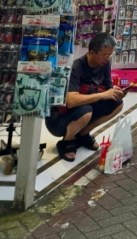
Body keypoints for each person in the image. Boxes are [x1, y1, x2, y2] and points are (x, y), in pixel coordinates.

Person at [45, 32, 123, 161]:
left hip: (85, 108)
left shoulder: (104, 64)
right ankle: (67, 141)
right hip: (57, 118)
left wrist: (116, 92)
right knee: (86, 110)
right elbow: (71, 101)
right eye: (105, 55)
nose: (108, 58)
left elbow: (108, 89)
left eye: (110, 55)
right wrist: (103, 94)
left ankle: (83, 134)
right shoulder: (76, 67)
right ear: (92, 53)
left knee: (117, 103)